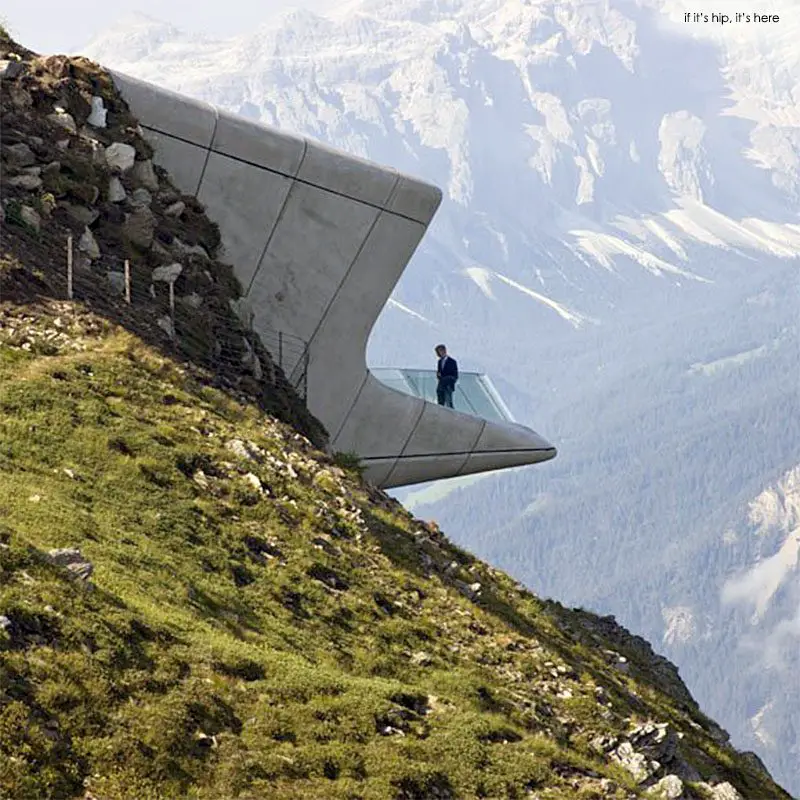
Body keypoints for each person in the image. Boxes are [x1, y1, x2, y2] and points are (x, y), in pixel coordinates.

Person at [435, 344, 458, 408]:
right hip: (441, 385)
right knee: (440, 401)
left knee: (448, 401)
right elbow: (439, 372)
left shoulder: (452, 362)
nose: (438, 354)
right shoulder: (439, 361)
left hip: (448, 385)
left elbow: (455, 375)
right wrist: (438, 375)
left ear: (444, 351)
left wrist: (450, 381)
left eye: (439, 352)